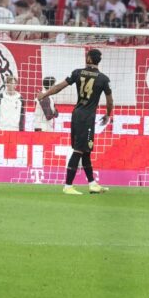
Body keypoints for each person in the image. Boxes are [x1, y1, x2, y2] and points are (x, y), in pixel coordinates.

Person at [40, 49, 113, 194]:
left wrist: (44, 94)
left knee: (86, 151)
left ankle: (92, 184)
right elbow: (110, 101)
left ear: (89, 58)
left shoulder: (77, 73)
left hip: (77, 114)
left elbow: (58, 87)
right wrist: (108, 114)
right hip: (87, 117)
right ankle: (68, 186)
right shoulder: (104, 79)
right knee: (79, 150)